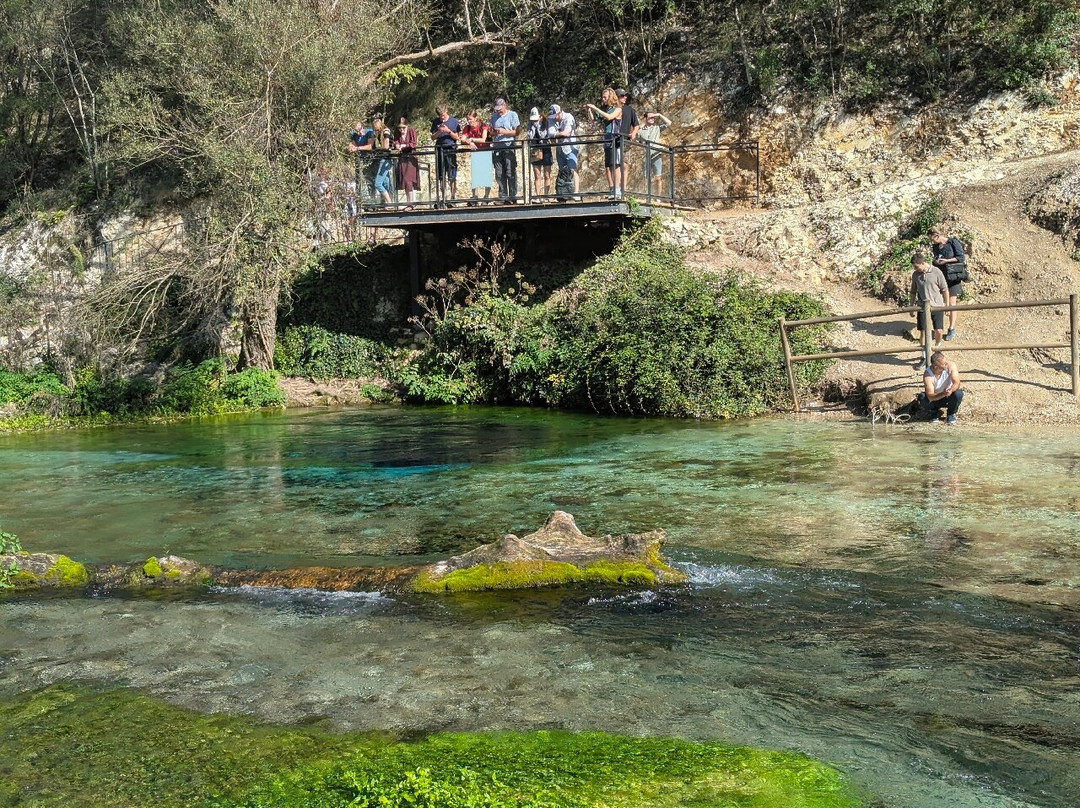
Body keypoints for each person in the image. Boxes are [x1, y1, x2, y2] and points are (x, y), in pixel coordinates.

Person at [930, 229, 968, 341]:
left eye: (932, 238)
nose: (932, 241)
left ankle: (951, 328)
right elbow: (935, 259)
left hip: (953, 276)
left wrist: (947, 261)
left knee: (951, 303)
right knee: (939, 302)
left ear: (937, 236)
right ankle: (938, 328)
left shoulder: (952, 242)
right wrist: (936, 261)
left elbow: (961, 257)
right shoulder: (936, 247)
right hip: (941, 276)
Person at [585, 87, 622, 197]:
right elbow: (593, 119)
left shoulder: (618, 108)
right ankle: (612, 189)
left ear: (611, 97)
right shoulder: (604, 109)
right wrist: (589, 111)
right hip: (607, 138)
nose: (603, 99)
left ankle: (617, 189)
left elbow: (610, 117)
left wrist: (596, 108)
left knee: (616, 164)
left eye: (605, 97)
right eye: (602, 97)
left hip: (615, 138)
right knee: (608, 165)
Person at [909, 253, 948, 353]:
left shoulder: (936, 272)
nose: (915, 269)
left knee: (938, 330)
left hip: (937, 306)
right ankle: (924, 356)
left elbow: (944, 289)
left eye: (916, 267)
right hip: (922, 306)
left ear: (922, 263)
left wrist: (947, 306)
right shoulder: (915, 275)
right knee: (923, 332)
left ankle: (937, 349)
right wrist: (911, 306)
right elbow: (913, 292)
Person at [918, 351, 964, 424]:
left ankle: (951, 414)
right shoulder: (928, 375)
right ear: (936, 366)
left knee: (958, 393)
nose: (946, 364)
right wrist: (943, 393)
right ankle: (933, 413)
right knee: (922, 397)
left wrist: (951, 390)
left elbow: (957, 383)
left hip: (949, 396)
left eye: (946, 362)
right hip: (936, 398)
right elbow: (930, 396)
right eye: (944, 364)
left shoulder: (951, 365)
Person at [430, 104, 462, 204]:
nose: (441, 117)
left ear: (446, 111)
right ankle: (443, 198)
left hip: (450, 149)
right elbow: (432, 137)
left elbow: (457, 137)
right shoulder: (436, 122)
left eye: (443, 115)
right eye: (440, 115)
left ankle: (452, 198)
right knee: (441, 175)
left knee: (452, 174)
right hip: (439, 149)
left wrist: (448, 131)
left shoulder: (454, 121)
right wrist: (439, 131)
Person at [490, 97, 520, 202]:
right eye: (496, 109)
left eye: (500, 109)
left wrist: (504, 131)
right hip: (497, 147)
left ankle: (512, 196)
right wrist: (495, 132)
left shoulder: (513, 115)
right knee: (499, 173)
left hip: (509, 146)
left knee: (510, 171)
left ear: (505, 105)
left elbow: (516, 132)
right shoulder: (493, 117)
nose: (498, 111)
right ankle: (502, 196)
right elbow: (491, 132)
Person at [461, 109, 493, 205]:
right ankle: (475, 196)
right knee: (475, 175)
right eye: (468, 119)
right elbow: (462, 139)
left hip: (485, 151)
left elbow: (483, 139)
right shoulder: (467, 128)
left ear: (476, 118)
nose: (469, 121)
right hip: (476, 153)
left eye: (471, 119)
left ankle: (486, 197)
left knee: (486, 175)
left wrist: (471, 139)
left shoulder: (483, 126)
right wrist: (469, 142)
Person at [548, 104, 580, 199]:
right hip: (560, 148)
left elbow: (567, 133)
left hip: (570, 148)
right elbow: (550, 133)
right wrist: (558, 134)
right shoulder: (551, 119)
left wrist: (555, 134)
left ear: (560, 112)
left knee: (572, 169)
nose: (554, 119)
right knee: (562, 171)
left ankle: (576, 193)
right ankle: (564, 194)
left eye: (555, 116)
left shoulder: (569, 117)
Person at [637, 111, 671, 196]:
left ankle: (658, 197)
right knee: (646, 177)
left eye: (653, 117)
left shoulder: (657, 128)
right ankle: (646, 195)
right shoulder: (641, 130)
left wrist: (659, 115)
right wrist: (643, 123)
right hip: (646, 155)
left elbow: (669, 123)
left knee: (658, 177)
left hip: (656, 154)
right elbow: (636, 134)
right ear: (646, 118)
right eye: (650, 117)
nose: (653, 119)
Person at [615, 89, 639, 194]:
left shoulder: (630, 110)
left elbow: (636, 125)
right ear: (616, 97)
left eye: (625, 96)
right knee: (615, 165)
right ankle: (615, 188)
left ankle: (623, 188)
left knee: (624, 165)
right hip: (614, 140)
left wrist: (633, 133)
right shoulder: (612, 109)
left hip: (626, 141)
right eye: (622, 96)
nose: (625, 97)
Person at [347, 118, 376, 205]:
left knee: (372, 179)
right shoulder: (353, 134)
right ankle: (365, 201)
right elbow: (352, 145)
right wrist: (351, 147)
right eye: (355, 128)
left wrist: (358, 148)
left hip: (371, 158)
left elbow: (369, 146)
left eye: (358, 127)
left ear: (361, 125)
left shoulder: (369, 132)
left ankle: (374, 199)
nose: (357, 130)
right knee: (362, 179)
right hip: (360, 160)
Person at [527, 106, 553, 197]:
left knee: (547, 175)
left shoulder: (546, 123)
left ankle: (546, 195)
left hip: (545, 149)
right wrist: (533, 127)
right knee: (537, 175)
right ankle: (537, 195)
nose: (534, 121)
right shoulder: (530, 124)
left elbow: (544, 135)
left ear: (540, 116)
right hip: (535, 150)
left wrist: (538, 126)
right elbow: (530, 136)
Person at [394, 116, 419, 209]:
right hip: (402, 158)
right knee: (404, 179)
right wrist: (396, 145)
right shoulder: (397, 132)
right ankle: (409, 202)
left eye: (403, 128)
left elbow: (413, 143)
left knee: (409, 180)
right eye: (399, 128)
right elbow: (395, 141)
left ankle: (411, 203)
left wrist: (404, 146)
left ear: (407, 126)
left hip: (411, 158)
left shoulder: (411, 131)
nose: (401, 130)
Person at [371, 116, 394, 208]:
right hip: (383, 158)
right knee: (386, 182)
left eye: (375, 129)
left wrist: (377, 150)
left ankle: (390, 202)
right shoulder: (380, 133)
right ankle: (392, 201)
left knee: (378, 183)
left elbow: (386, 146)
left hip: (386, 158)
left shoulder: (385, 131)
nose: (375, 131)